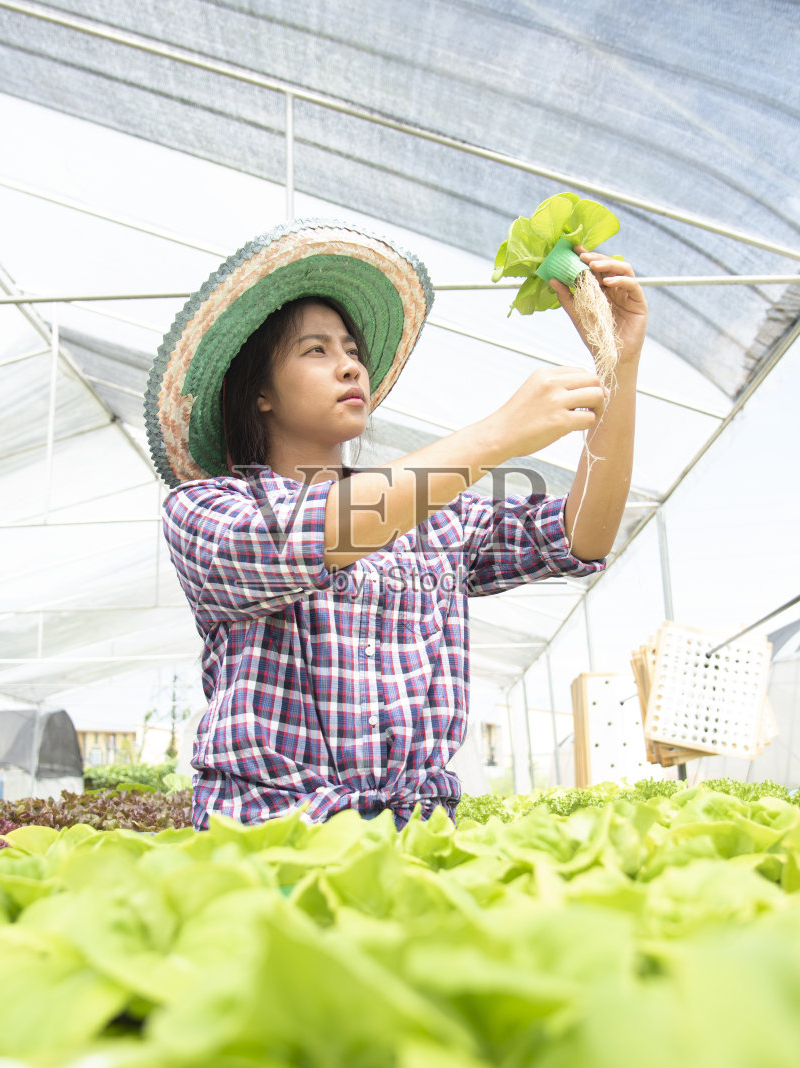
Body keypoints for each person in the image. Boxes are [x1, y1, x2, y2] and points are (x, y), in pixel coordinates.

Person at [146, 219, 645, 831]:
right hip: (268, 836)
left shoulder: (431, 515)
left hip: (416, 835)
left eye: (353, 352)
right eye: (316, 351)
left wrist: (618, 364)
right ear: (260, 393)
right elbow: (311, 535)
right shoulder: (207, 509)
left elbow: (581, 535)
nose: (350, 367)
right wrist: (499, 433)